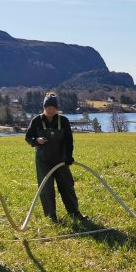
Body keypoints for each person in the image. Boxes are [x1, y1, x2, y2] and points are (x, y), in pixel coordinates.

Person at [25, 92, 87, 224]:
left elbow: (69, 140)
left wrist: (69, 156)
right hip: (43, 161)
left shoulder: (63, 121)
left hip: (61, 160)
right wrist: (37, 140)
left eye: (53, 108)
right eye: (48, 107)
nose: (51, 110)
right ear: (44, 107)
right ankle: (51, 216)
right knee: (46, 188)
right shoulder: (36, 121)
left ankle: (75, 213)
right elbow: (28, 138)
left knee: (67, 186)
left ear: (57, 108)